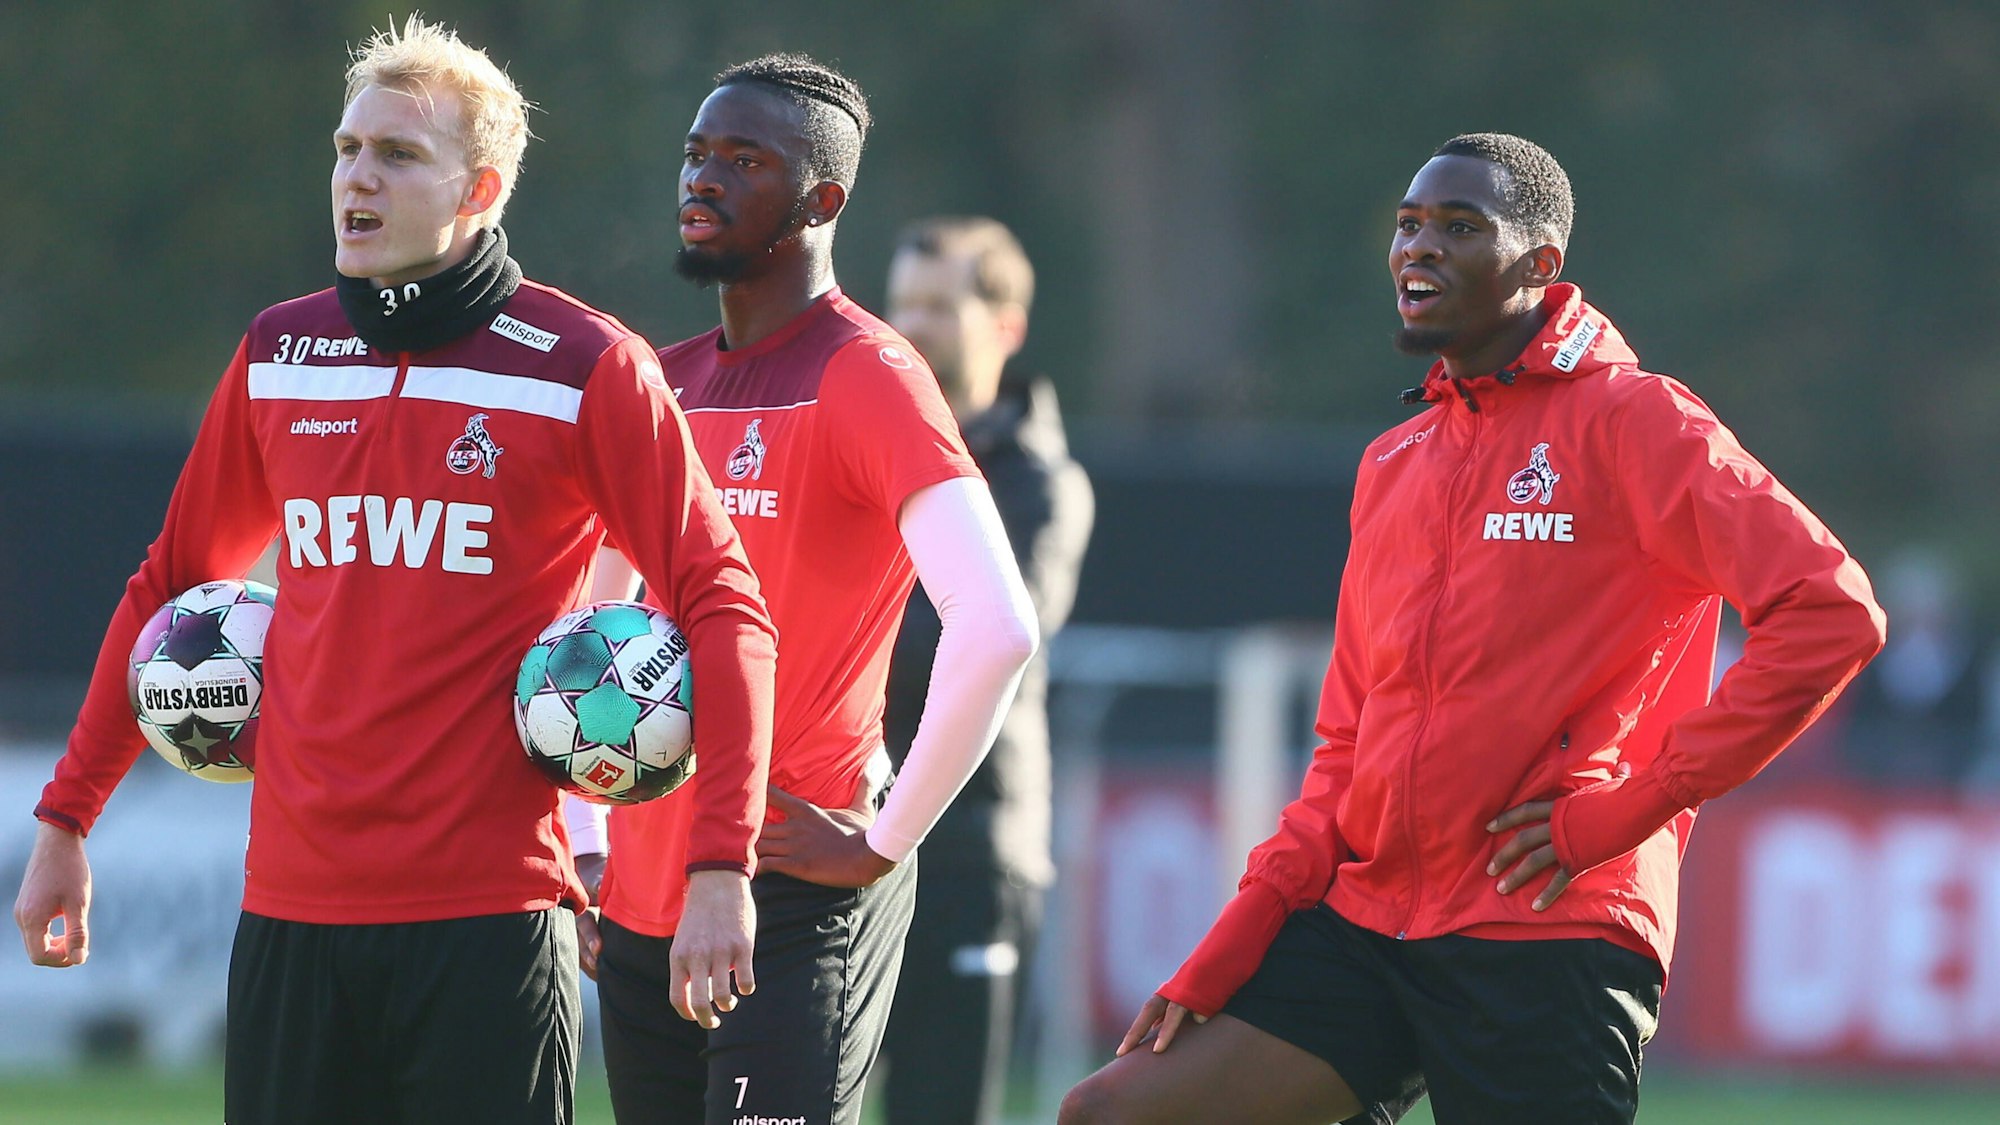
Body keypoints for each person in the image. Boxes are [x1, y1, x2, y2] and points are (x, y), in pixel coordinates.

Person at [10, 19, 777, 1125]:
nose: (356, 177)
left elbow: (724, 605)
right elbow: (168, 588)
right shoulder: (280, 353)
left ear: (481, 191)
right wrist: (67, 822)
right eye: (345, 147)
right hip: (290, 920)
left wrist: (720, 865)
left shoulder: (582, 366)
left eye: (398, 155)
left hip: (488, 922)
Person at [1060, 133, 1887, 1125]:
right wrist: (1235, 938)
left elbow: (1830, 613)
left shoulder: (1638, 422)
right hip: (1364, 923)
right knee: (1111, 1114)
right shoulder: (1394, 460)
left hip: (1544, 927)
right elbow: (1344, 746)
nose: (1419, 248)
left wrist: (1630, 808)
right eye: (1408, 226)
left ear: (1539, 265)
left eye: (1458, 227)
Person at [568, 55, 1040, 1125]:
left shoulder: (867, 372)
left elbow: (998, 626)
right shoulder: (661, 379)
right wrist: (587, 843)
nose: (703, 180)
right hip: (641, 900)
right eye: (695, 155)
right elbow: (583, 633)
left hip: (788, 895)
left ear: (823, 201)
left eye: (744, 160)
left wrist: (878, 842)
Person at [876, 216, 1094, 1125]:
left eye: (939, 303)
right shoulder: (867, 444)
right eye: (900, 305)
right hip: (840, 827)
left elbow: (974, 638)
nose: (910, 326)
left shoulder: (1041, 482)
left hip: (970, 848)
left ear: (1005, 325)